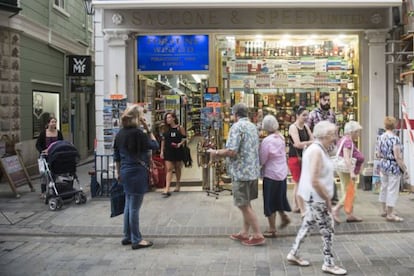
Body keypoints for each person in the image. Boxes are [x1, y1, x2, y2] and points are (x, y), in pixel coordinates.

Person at [287, 121, 347, 275]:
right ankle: (328, 263)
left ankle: (294, 253)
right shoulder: (317, 151)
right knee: (328, 229)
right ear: (326, 135)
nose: (336, 137)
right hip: (317, 197)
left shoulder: (318, 148)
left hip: (313, 195)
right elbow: (314, 178)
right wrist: (327, 198)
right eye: (334, 134)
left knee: (308, 224)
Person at [209, 103, 264, 246]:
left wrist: (215, 153)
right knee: (247, 203)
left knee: (243, 205)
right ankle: (245, 232)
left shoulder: (237, 127)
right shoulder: (252, 126)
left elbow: (232, 151)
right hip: (252, 171)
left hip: (241, 172)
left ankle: (257, 234)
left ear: (235, 114)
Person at [113, 104, 159, 250]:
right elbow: (155, 145)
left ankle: (127, 235)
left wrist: (118, 172)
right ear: (137, 118)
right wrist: (148, 128)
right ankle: (136, 239)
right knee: (134, 207)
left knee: (128, 203)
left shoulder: (120, 134)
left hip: (125, 171)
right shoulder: (138, 134)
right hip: (137, 172)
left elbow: (117, 156)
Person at [259, 114, 291, 238]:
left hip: (271, 173)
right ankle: (284, 217)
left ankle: (272, 228)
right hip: (282, 172)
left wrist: (260, 164)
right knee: (279, 198)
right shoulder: (281, 137)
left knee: (270, 201)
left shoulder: (267, 141)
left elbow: (263, 158)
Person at [306, 92, 339, 204]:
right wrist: (312, 141)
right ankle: (319, 195)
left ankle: (332, 196)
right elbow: (307, 128)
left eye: (329, 100)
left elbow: (336, 129)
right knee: (319, 171)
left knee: (330, 170)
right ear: (320, 100)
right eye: (325, 100)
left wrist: (336, 143)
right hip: (318, 147)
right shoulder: (313, 114)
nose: (327, 102)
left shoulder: (331, 114)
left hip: (330, 148)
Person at [377, 116, 409, 222]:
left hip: (383, 164)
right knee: (392, 190)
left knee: (384, 187)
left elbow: (378, 153)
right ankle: (390, 214)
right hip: (393, 166)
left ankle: (384, 210)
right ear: (394, 125)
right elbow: (397, 156)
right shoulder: (395, 139)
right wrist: (405, 169)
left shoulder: (381, 137)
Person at [332, 121, 364, 224]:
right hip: (347, 171)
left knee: (347, 191)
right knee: (350, 193)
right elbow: (346, 158)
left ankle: (350, 214)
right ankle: (335, 210)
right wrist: (352, 172)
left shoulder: (343, 140)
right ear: (351, 132)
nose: (358, 134)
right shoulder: (348, 142)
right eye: (357, 132)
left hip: (344, 171)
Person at [288, 106, 314, 216]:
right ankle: (296, 205)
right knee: (298, 182)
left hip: (304, 157)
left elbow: (313, 139)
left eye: (307, 115)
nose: (306, 117)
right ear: (297, 116)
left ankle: (296, 205)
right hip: (295, 158)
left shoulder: (306, 127)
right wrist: (308, 143)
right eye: (303, 115)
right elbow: (297, 144)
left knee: (299, 182)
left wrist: (306, 143)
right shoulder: (293, 127)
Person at [160, 112, 187, 197]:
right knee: (169, 169)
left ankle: (178, 184)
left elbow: (185, 137)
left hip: (178, 150)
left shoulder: (180, 128)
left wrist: (180, 143)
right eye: (167, 118)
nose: (168, 119)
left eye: (169, 117)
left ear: (174, 118)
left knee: (177, 167)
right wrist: (161, 151)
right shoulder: (165, 128)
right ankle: (167, 188)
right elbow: (163, 140)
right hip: (168, 150)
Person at [35, 116, 63, 198]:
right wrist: (42, 151)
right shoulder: (43, 133)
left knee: (54, 173)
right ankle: (43, 191)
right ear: (48, 123)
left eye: (55, 122)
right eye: (52, 122)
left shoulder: (58, 133)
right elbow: (38, 144)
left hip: (54, 155)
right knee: (43, 173)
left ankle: (53, 188)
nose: (53, 123)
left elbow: (61, 143)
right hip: (45, 156)